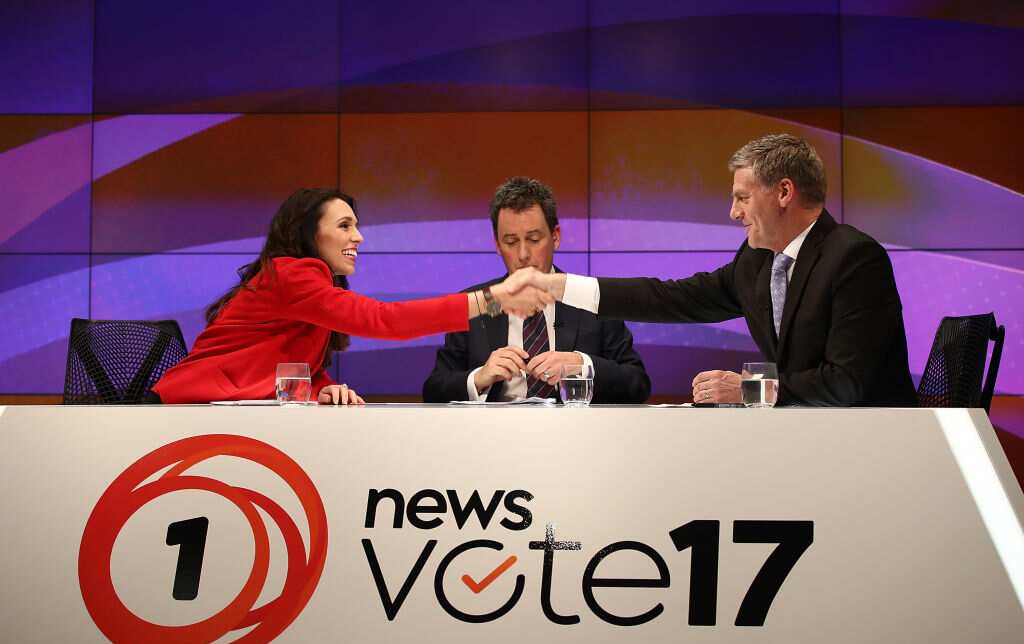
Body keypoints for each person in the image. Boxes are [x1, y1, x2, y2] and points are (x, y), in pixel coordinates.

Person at [505, 135, 918, 407]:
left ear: (784, 192)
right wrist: (558, 286)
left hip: (873, 450)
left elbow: (847, 383)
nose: (734, 212)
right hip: (806, 442)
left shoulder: (853, 258)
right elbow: (672, 298)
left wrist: (749, 390)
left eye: (742, 198)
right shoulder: (757, 260)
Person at [153, 188, 552, 404]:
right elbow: (387, 320)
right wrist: (493, 299)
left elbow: (289, 359)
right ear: (310, 234)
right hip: (186, 412)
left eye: (356, 225)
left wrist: (322, 387)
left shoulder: (305, 283)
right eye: (344, 226)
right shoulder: (292, 274)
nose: (358, 237)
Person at [422, 176, 650, 403]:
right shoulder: (477, 304)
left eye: (533, 239)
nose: (523, 255)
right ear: (497, 246)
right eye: (511, 242)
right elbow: (434, 390)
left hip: (574, 425)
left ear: (555, 237)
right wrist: (479, 378)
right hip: (494, 426)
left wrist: (582, 365)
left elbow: (638, 384)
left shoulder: (591, 298)